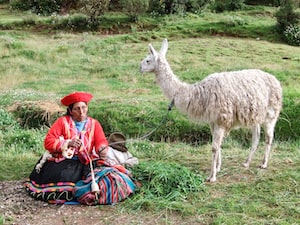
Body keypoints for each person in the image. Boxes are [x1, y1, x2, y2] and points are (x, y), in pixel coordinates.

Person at [25, 91, 136, 205]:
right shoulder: (62, 122)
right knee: (64, 177)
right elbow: (49, 142)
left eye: (84, 107)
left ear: (87, 107)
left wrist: (102, 148)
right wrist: (67, 143)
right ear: (70, 111)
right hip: (64, 161)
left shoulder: (94, 124)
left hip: (87, 161)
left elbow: (101, 141)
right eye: (77, 109)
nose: (81, 112)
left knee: (107, 175)